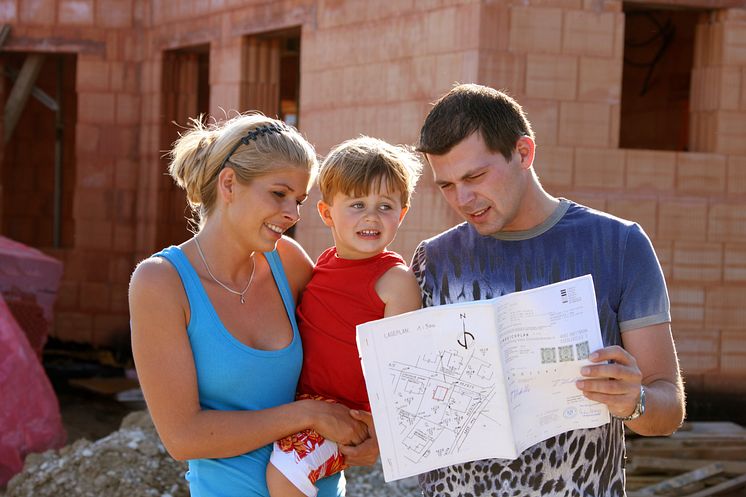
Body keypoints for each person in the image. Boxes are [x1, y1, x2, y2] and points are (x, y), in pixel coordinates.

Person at [410, 84, 685, 497]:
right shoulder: (434, 260)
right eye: (446, 185)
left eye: (475, 176)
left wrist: (635, 401)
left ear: (523, 153)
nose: (462, 198)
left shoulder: (620, 245)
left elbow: (669, 407)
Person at [128, 114, 375, 497]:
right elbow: (183, 437)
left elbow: (350, 346)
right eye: (279, 194)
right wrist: (308, 414)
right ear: (229, 183)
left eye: (299, 200)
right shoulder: (160, 283)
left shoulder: (288, 263)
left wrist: (375, 430)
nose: (293, 214)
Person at [265, 136, 423, 497]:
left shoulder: (394, 280)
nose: (371, 216)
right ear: (326, 213)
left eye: (385, 206)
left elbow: (403, 369)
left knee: (285, 477)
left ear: (401, 214)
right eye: (357, 204)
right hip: (303, 404)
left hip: (348, 415)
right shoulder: (322, 263)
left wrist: (378, 430)